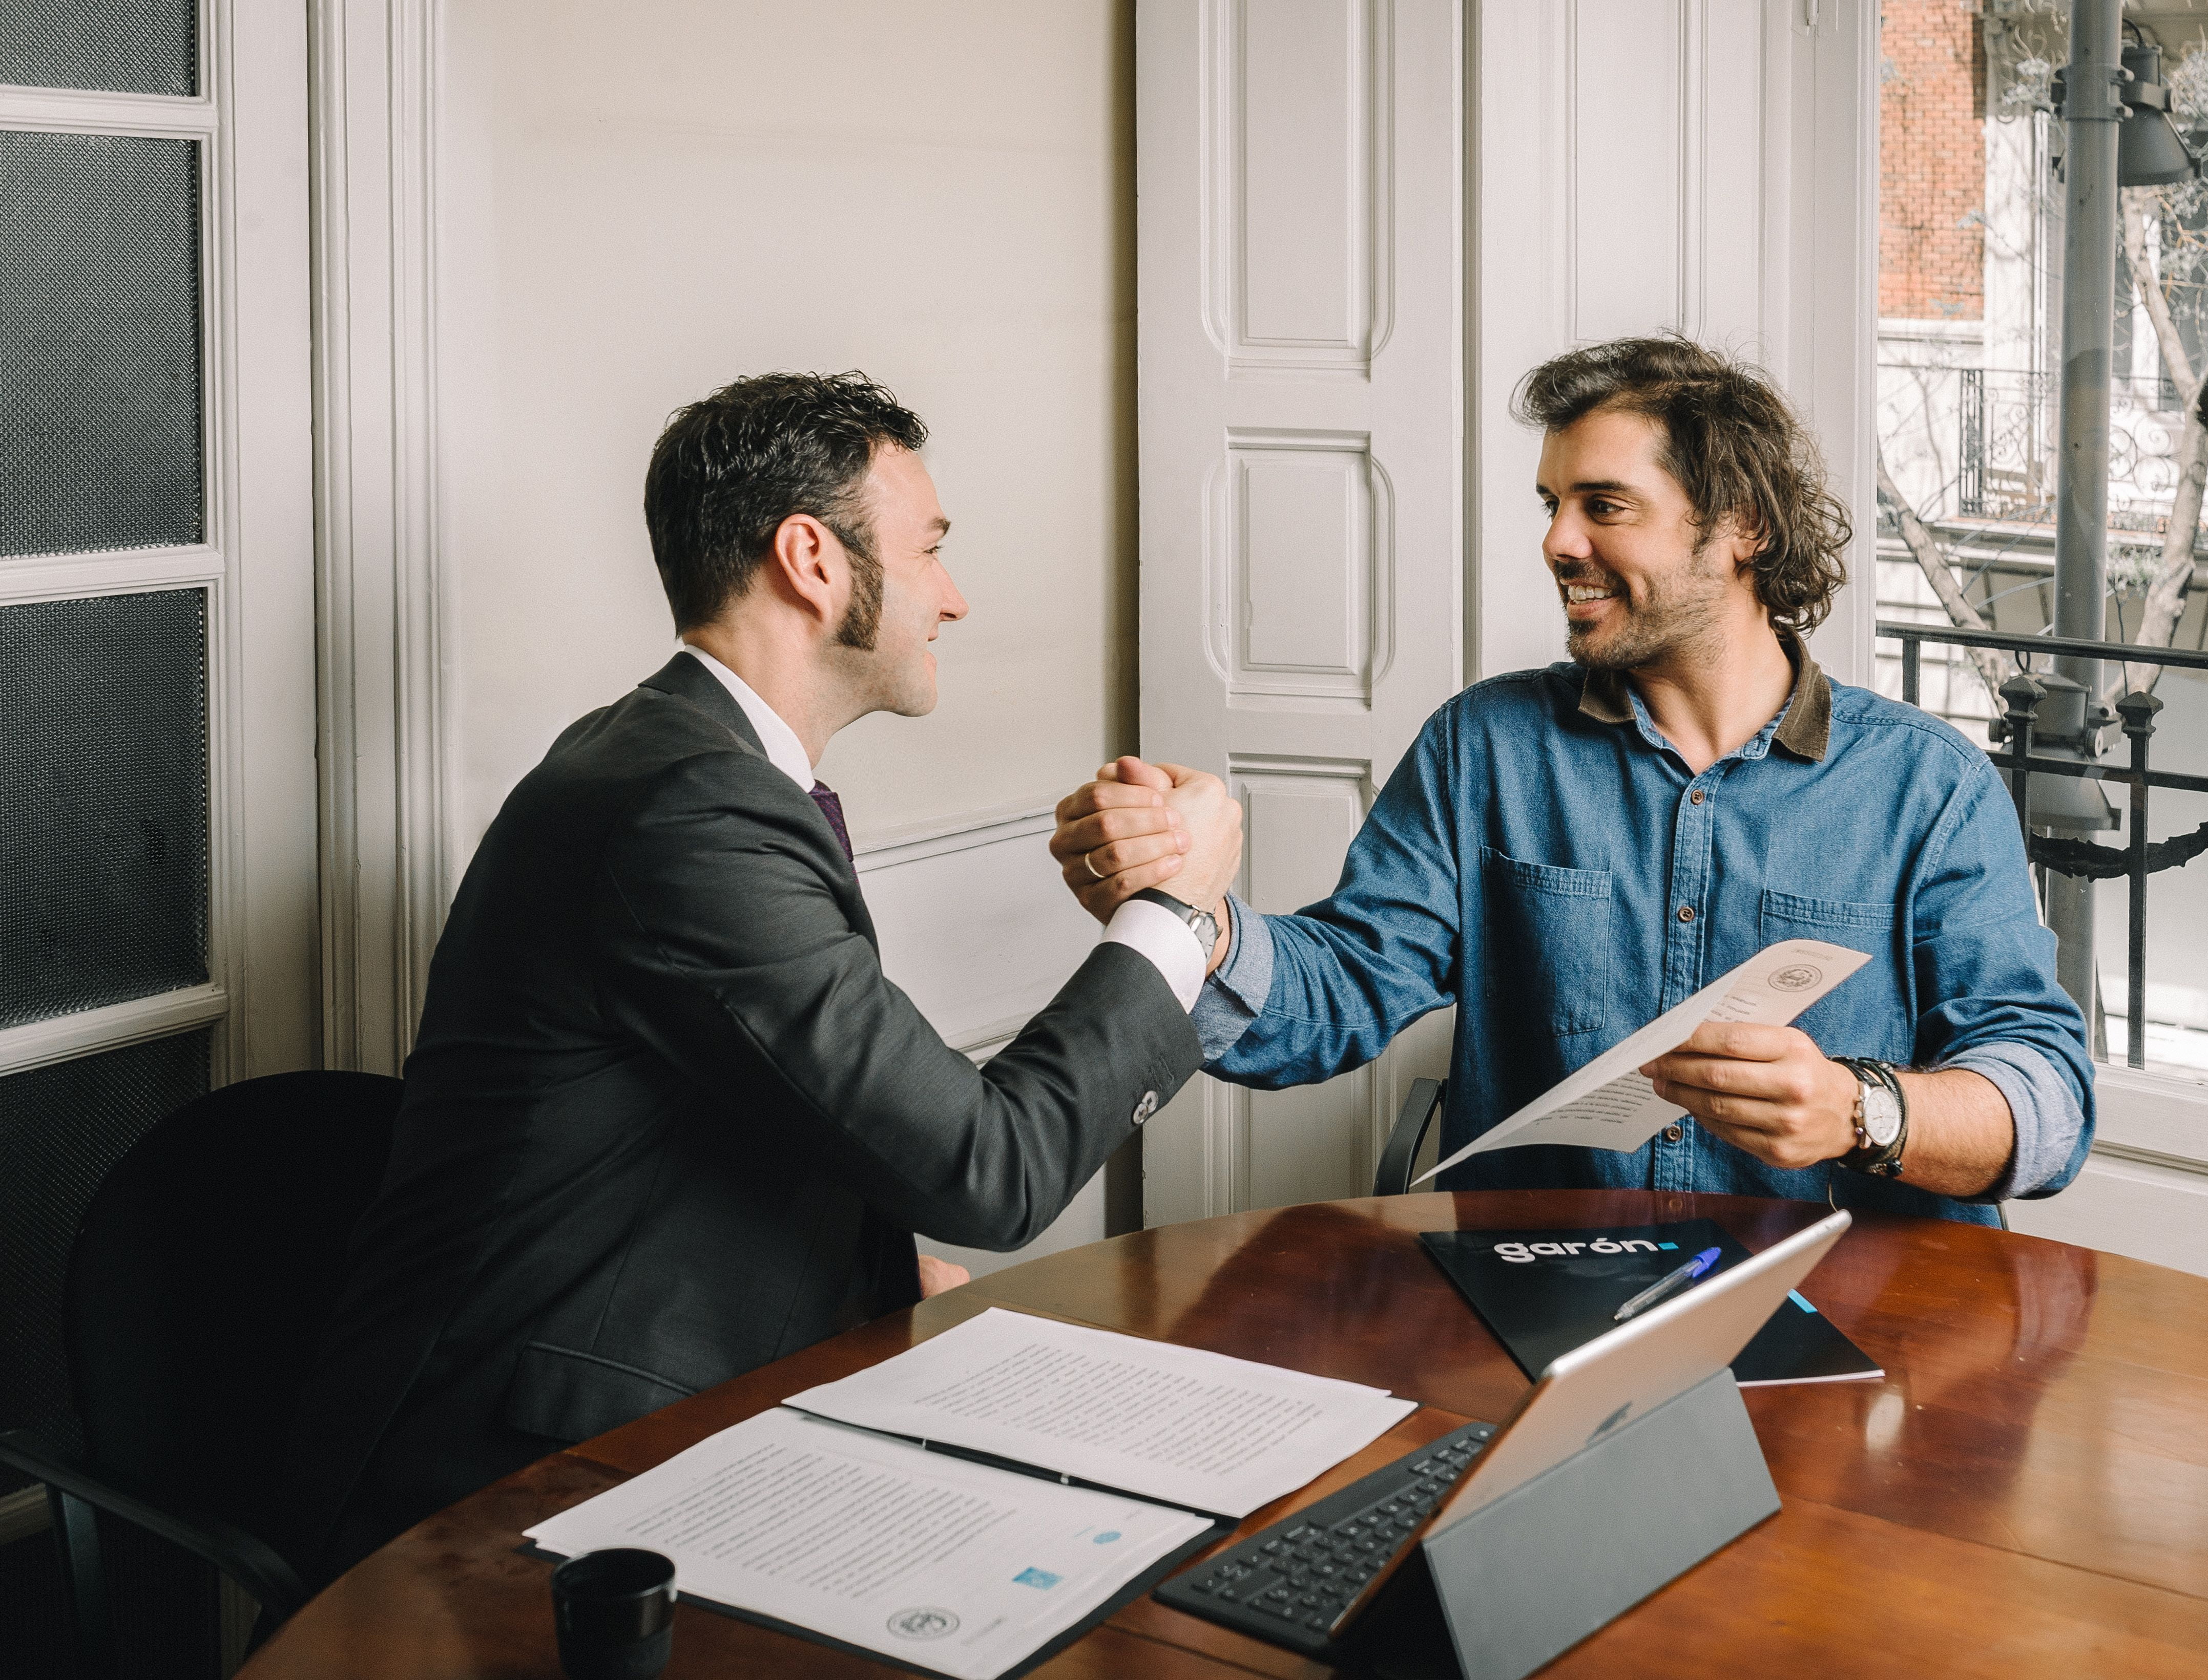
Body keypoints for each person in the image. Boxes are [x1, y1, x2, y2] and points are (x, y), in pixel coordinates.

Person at [287, 371, 1241, 1582]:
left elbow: (790, 1087)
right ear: (813, 559)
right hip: (519, 1478)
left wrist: (887, 1257)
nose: (953, 595)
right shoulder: (686, 808)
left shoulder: (675, 757)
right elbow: (986, 1169)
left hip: (690, 1379)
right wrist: (1173, 909)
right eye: (931, 550)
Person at [1053, 337, 2092, 1222]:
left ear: (1742, 528)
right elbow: (1344, 986)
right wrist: (1193, 923)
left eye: (1604, 504)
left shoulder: (1927, 787)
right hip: (1547, 1305)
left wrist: (1859, 1109)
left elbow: (2046, 1098)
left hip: (1845, 1320)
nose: (1557, 541)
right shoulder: (1486, 747)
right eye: (1553, 503)